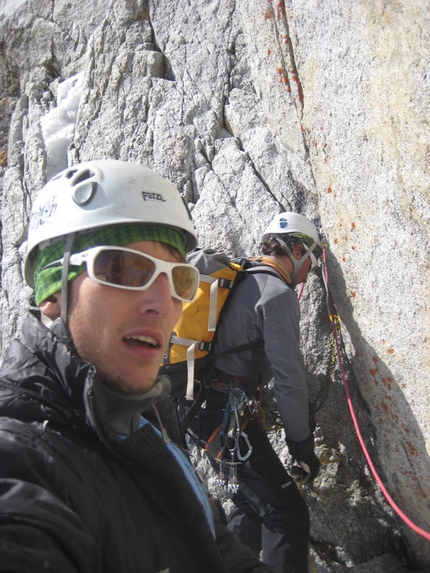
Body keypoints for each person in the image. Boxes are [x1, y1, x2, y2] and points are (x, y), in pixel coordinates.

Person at [0, 159, 276, 573]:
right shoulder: (21, 465)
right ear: (54, 291)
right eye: (127, 271)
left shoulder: (147, 416)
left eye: (180, 280)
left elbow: (210, 543)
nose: (163, 304)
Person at [185, 212, 323, 573]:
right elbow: (289, 380)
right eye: (311, 258)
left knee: (251, 504)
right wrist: (302, 446)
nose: (311, 270)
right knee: (286, 513)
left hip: (200, 410)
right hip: (223, 415)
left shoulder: (242, 275)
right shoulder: (277, 294)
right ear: (295, 249)